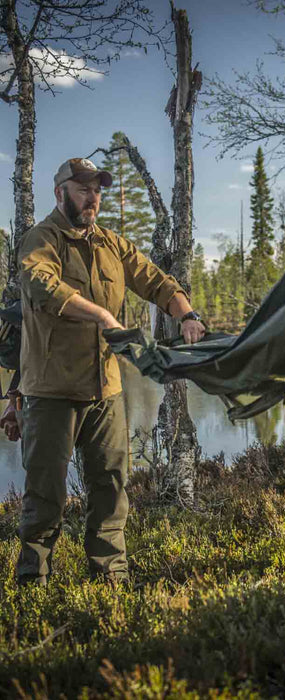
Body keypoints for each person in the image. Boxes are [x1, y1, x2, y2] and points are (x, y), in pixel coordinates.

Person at [4, 157, 206, 585]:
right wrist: (101, 315)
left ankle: (110, 581)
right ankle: (33, 584)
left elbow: (157, 282)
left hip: (106, 392)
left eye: (97, 190)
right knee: (46, 498)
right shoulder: (40, 240)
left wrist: (187, 314)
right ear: (61, 193)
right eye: (83, 189)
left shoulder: (112, 244)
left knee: (112, 489)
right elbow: (42, 286)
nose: (93, 197)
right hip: (52, 394)